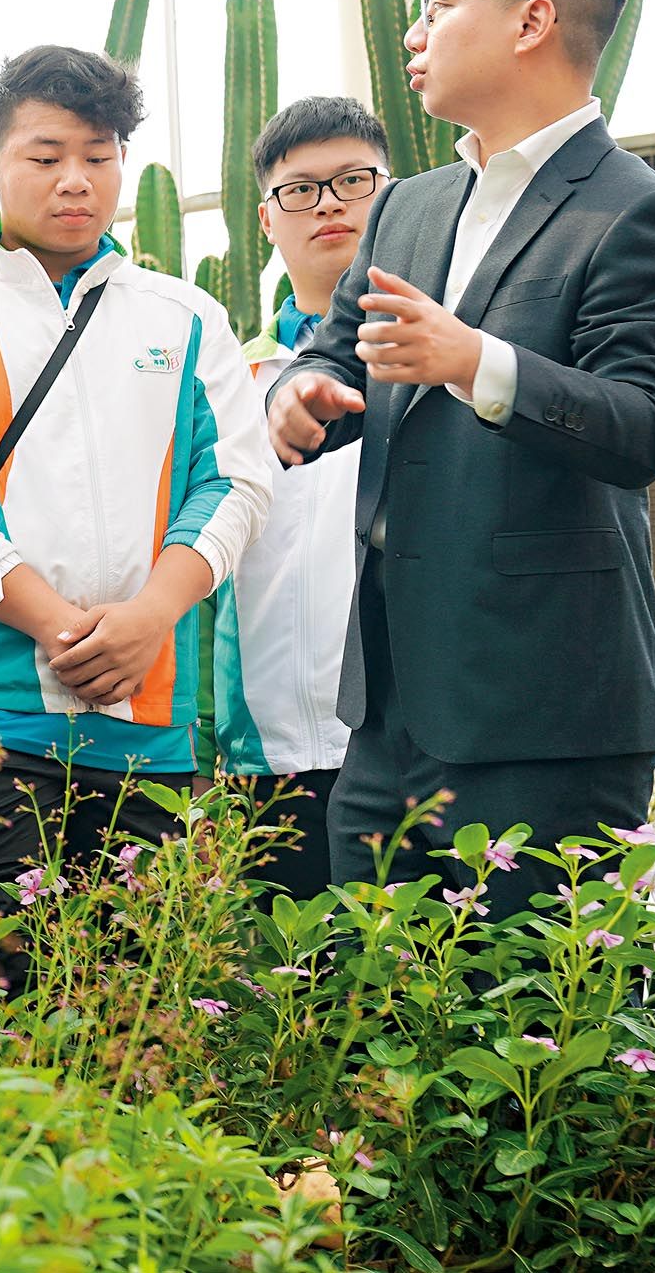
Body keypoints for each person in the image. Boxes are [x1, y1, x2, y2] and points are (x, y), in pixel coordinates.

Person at [265, 0, 655, 903]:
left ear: (530, 20)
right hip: (386, 716)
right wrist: (294, 395)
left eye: (438, 6)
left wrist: (473, 360)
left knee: (533, 1047)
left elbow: (642, 428)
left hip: (545, 722)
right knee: (367, 1025)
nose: (413, 32)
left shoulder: (640, 215)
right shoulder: (407, 209)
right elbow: (338, 353)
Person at [0, 45, 271, 907]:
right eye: (45, 158)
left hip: (152, 724)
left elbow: (234, 480)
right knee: (1, 977)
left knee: (142, 1000)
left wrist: (150, 615)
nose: (74, 180)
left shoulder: (185, 316)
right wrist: (53, 625)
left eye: (98, 155)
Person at [213, 96, 385, 898]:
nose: (327, 203)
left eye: (353, 180)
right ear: (264, 220)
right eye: (299, 188)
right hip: (269, 759)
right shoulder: (226, 383)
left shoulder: (437, 356)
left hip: (408, 750)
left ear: (393, 195)